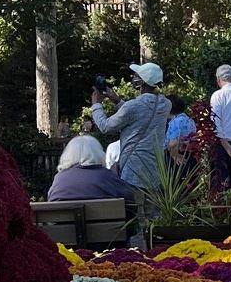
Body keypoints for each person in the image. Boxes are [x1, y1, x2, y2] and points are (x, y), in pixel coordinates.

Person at [88, 63, 171, 194]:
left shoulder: (133, 106)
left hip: (133, 169)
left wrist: (96, 105)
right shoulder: (166, 104)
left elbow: (105, 126)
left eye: (136, 76)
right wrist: (117, 101)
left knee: (132, 210)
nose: (133, 78)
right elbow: (140, 115)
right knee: (153, 210)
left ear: (141, 83)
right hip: (155, 169)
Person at [47, 134, 135, 205]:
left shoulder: (59, 178)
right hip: (105, 226)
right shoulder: (107, 176)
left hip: (63, 226)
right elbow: (131, 198)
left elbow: (51, 199)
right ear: (98, 153)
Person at [165, 96, 197, 163]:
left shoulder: (176, 122)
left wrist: (173, 155)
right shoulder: (189, 119)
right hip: (191, 155)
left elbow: (173, 143)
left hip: (178, 157)